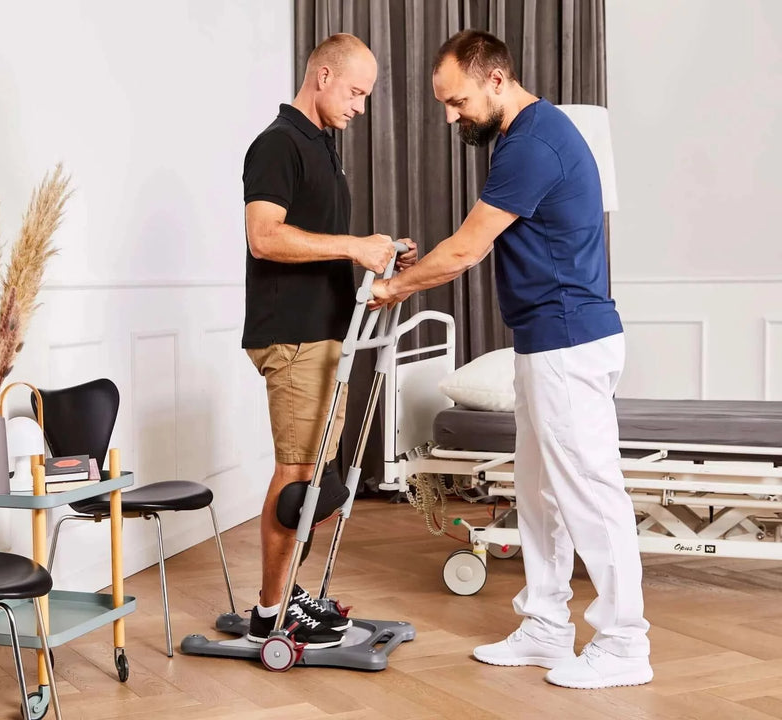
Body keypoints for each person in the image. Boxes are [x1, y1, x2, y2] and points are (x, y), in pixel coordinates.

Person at [369, 29, 652, 689]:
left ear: (495, 79)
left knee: (588, 494)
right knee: (540, 492)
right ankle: (546, 626)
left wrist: (396, 287)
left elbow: (469, 248)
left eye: (456, 100)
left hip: (567, 341)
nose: (449, 116)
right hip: (545, 341)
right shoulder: (521, 137)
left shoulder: (532, 143)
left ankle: (623, 644)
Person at [242, 32, 416, 649]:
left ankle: (289, 595)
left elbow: (315, 243)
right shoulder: (277, 145)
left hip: (323, 336)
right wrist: (352, 245)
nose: (360, 108)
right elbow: (264, 237)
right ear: (321, 76)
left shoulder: (322, 147)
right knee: (297, 478)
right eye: (356, 92)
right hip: (290, 339)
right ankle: (269, 615)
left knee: (317, 479)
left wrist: (378, 252)